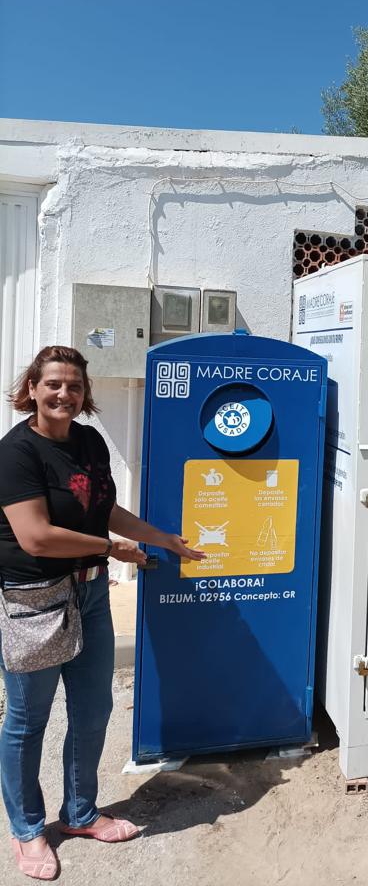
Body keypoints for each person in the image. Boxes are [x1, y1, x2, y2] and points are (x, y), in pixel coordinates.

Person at [0, 346, 205, 880]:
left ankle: (79, 814)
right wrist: (110, 548)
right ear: (32, 389)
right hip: (36, 599)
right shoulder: (16, 453)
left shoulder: (89, 442)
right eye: (53, 385)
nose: (63, 394)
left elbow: (102, 509)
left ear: (84, 393)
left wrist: (161, 538)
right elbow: (37, 537)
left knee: (92, 713)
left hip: (90, 595)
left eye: (73, 385)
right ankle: (27, 830)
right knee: (28, 721)